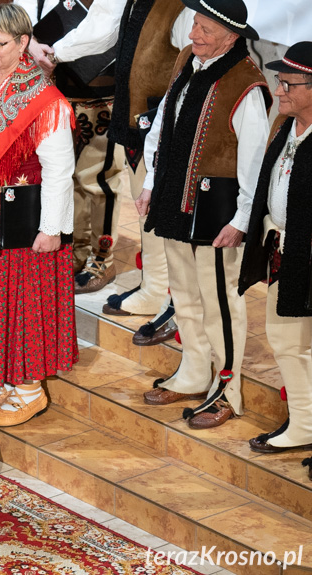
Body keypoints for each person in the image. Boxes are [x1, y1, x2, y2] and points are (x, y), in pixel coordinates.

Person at [137, 0, 270, 429]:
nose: (194, 34)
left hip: (218, 214)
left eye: (206, 29)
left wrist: (242, 220)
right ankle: (194, 370)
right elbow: (163, 123)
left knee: (220, 303)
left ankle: (227, 389)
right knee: (185, 297)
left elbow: (254, 162)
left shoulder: (246, 84)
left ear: (231, 37)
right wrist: (150, 183)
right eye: (194, 24)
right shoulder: (188, 61)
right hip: (176, 204)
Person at [0, 3, 78, 427]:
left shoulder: (46, 100)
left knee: (19, 300)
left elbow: (60, 170)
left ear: (24, 42)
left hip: (22, 216)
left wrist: (51, 229)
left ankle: (27, 388)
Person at [101, 0, 193, 333]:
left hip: (156, 123)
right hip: (136, 120)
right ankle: (152, 287)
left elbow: (191, 67)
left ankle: (162, 293)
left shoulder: (180, 8)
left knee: (154, 213)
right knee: (142, 210)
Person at [238, 42, 312, 456]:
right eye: (278, 81)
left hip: (306, 257)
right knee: (287, 341)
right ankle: (303, 422)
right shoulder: (287, 126)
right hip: (286, 253)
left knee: (297, 342)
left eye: (289, 83)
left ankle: (305, 424)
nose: (279, 90)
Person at [25, 0, 127, 295]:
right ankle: (76, 251)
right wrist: (30, 41)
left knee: (97, 179)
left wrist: (55, 51)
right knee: (65, 175)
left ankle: (102, 258)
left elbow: (105, 27)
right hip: (56, 85)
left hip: (100, 87)